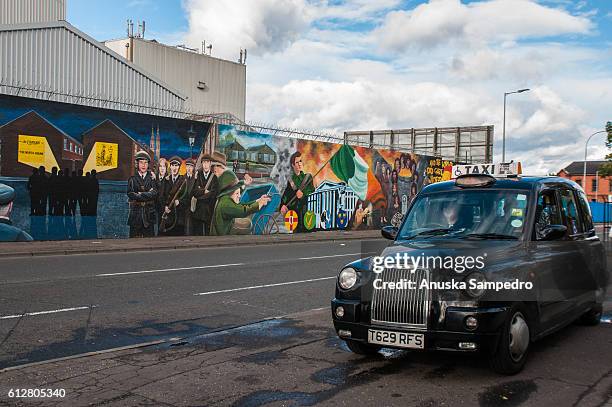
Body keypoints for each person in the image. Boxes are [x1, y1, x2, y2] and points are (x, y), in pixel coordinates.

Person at [210, 170, 271, 236]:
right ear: (229, 192)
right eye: (237, 193)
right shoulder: (226, 204)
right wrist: (260, 204)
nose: (239, 196)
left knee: (246, 222)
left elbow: (241, 205)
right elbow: (243, 211)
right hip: (225, 233)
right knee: (249, 224)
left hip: (226, 228)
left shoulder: (225, 198)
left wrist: (258, 200)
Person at [280, 152, 314, 232]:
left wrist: (303, 195)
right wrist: (283, 205)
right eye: (297, 162)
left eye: (300, 161)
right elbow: (286, 194)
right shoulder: (291, 179)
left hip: (306, 214)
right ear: (293, 165)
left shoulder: (307, 178)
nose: (299, 164)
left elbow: (312, 192)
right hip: (294, 214)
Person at [127, 151, 157, 238]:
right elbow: (131, 194)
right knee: (134, 240)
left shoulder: (152, 178)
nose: (143, 165)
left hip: (149, 213)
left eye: (145, 163)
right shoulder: (132, 178)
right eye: (141, 162)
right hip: (136, 214)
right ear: (137, 164)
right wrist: (147, 194)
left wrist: (140, 194)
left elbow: (154, 193)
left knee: (149, 240)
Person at [192, 153, 219, 236]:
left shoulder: (214, 178)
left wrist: (200, 195)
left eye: (207, 162)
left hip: (208, 211)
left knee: (208, 234)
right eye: (204, 162)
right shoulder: (198, 176)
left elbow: (213, 194)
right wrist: (204, 191)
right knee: (197, 233)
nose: (206, 165)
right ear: (202, 164)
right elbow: (195, 192)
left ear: (210, 164)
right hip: (198, 212)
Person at [162, 156, 185, 236]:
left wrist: (179, 201)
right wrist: (165, 206)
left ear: (179, 167)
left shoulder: (183, 180)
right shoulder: (166, 180)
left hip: (179, 216)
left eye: (176, 165)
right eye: (173, 165)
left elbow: (186, 196)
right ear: (170, 167)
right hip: (168, 214)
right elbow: (162, 195)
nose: (174, 168)